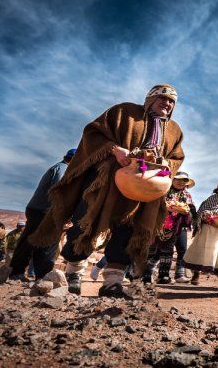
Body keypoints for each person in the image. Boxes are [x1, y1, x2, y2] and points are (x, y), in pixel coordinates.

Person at [28, 84, 184, 298]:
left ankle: (113, 282)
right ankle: (73, 273)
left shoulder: (174, 130)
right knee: (86, 221)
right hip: (107, 181)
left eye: (171, 101)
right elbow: (93, 132)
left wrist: (165, 162)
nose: (167, 103)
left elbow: (177, 157)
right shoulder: (124, 112)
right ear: (150, 98)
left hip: (143, 189)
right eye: (162, 98)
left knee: (127, 230)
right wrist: (115, 149)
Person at [7, 149, 76, 281]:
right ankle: (17, 272)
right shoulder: (62, 169)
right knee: (35, 241)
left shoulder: (60, 168)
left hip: (43, 210)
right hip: (44, 211)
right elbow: (57, 192)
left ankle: (41, 276)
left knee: (44, 243)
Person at [143, 171, 197, 284]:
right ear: (172, 180)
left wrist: (187, 212)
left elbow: (191, 211)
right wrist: (167, 208)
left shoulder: (187, 195)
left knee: (172, 250)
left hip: (178, 226)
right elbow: (155, 205)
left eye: (184, 181)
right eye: (178, 179)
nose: (181, 183)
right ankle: (146, 275)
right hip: (160, 224)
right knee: (154, 249)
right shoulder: (164, 191)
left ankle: (164, 276)